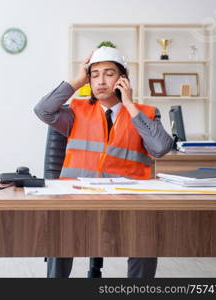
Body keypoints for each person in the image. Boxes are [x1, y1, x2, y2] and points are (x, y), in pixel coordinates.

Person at [33, 45, 173, 278]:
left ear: (122, 79)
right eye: (95, 75)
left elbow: (161, 148)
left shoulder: (145, 113)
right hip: (78, 196)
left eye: (109, 74)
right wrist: (78, 81)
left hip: (128, 201)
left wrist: (129, 105)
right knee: (60, 234)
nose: (101, 81)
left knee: (146, 240)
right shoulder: (76, 112)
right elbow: (43, 110)